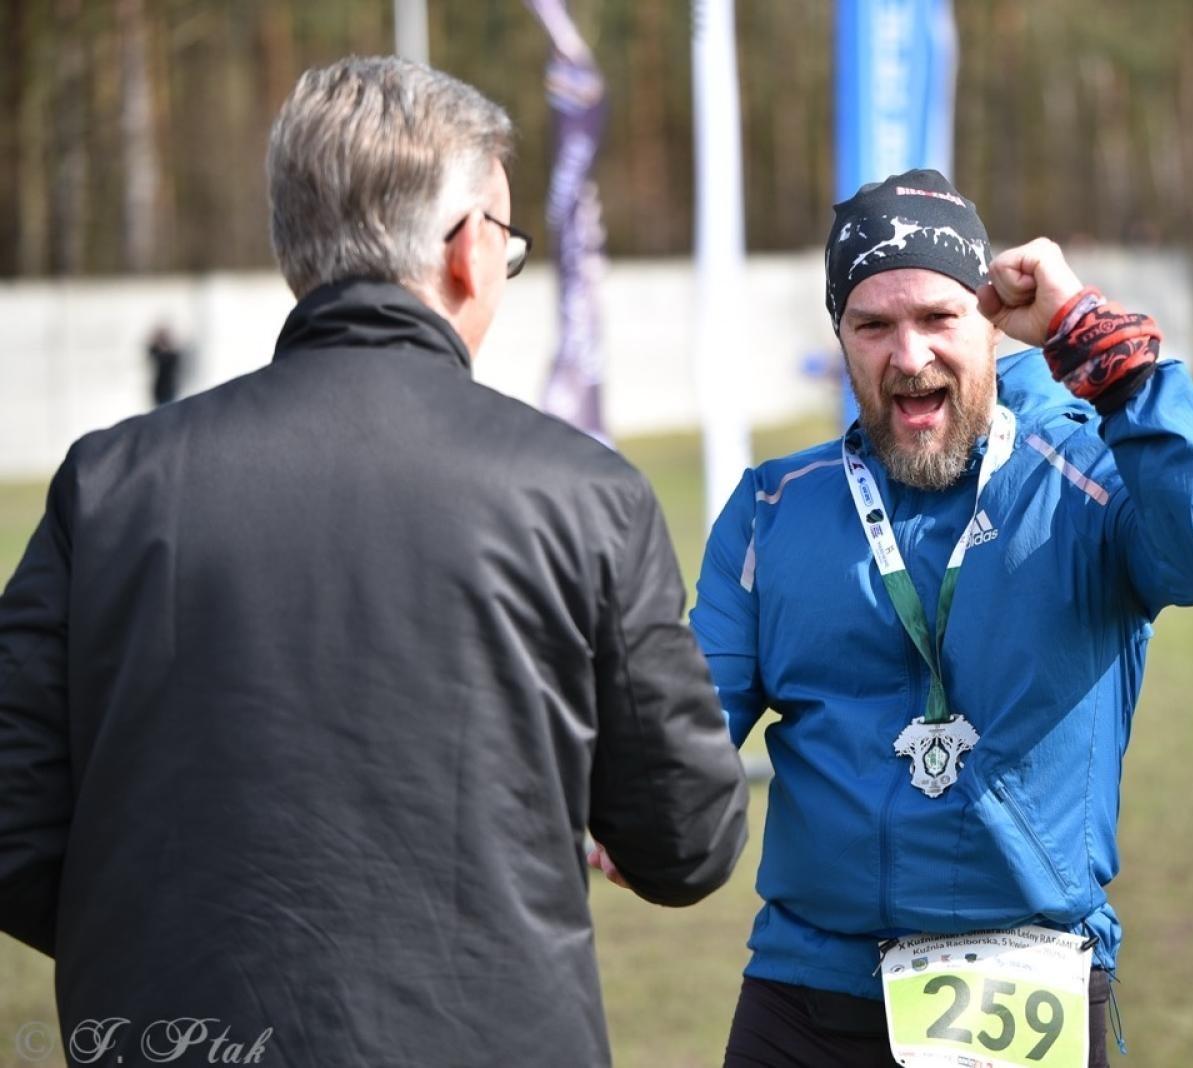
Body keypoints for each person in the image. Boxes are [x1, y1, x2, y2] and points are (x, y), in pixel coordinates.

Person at [0, 56, 746, 1066]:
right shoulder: (581, 494)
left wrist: (169, 956)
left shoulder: (111, 484)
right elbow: (686, 838)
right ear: (468, 250)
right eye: (510, 246)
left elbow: (18, 823)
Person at [689, 169, 1193, 1067]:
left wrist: (1097, 345)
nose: (907, 356)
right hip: (806, 993)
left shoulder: (1086, 478)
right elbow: (688, 721)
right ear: (840, 338)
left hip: (1022, 986)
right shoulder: (773, 507)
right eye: (872, 325)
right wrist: (613, 792)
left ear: (992, 323)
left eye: (937, 318)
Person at [145, 323, 182, 406]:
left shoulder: (173, 354)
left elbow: (173, 362)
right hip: (159, 388)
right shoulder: (156, 351)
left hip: (169, 388)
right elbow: (151, 354)